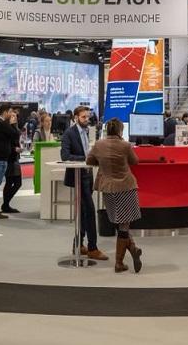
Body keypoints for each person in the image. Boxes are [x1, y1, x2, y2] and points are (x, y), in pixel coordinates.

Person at [86, 118, 142, 273]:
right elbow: (135, 161)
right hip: (125, 188)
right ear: (120, 131)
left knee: (118, 222)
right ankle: (119, 263)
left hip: (108, 188)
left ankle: (133, 249)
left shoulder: (99, 145)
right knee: (124, 225)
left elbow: (89, 160)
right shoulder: (125, 145)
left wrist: (102, 162)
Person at [61, 105, 108, 260]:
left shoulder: (86, 131)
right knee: (89, 211)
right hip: (78, 176)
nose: (87, 119)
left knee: (83, 212)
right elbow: (65, 156)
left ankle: (78, 244)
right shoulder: (69, 133)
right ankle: (92, 248)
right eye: (83, 117)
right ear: (76, 118)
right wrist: (86, 158)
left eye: (88, 117)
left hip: (87, 176)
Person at [2, 109, 23, 214]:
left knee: (13, 182)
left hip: (15, 158)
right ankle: (5, 204)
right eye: (12, 116)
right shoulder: (8, 129)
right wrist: (15, 149)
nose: (14, 118)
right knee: (13, 182)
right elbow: (6, 143)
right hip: (10, 158)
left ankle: (6, 204)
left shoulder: (15, 128)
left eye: (15, 116)